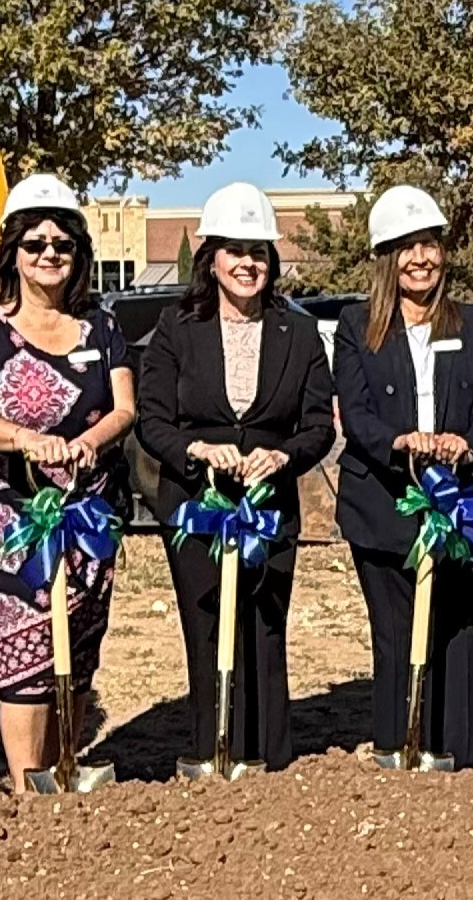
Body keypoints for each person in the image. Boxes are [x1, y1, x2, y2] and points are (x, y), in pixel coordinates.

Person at [136, 183, 337, 773]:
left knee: (265, 625)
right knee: (207, 625)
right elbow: (153, 419)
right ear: (212, 258)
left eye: (258, 252)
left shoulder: (296, 331)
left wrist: (283, 459)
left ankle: (267, 756)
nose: (248, 264)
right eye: (235, 250)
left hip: (268, 503)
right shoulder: (176, 327)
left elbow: (318, 423)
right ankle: (213, 750)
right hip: (198, 502)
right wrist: (196, 451)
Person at [0, 172, 136, 790]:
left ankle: (68, 764)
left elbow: (124, 407)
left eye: (62, 243)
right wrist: (25, 437)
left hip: (88, 511)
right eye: (35, 242)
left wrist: (87, 442)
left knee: (79, 643)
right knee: (23, 648)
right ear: (13, 253)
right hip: (9, 516)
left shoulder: (101, 328)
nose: (49, 253)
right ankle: (29, 784)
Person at [332, 186, 473, 766]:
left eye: (430, 244)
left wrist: (469, 446)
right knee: (395, 628)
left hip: (461, 498)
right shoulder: (357, 328)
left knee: (457, 629)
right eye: (406, 247)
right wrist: (397, 443)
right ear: (386, 257)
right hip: (384, 501)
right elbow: (356, 414)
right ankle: (399, 744)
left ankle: (458, 750)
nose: (421, 258)